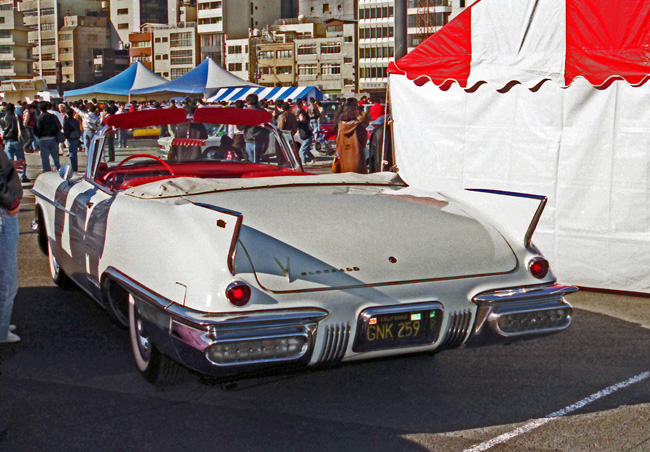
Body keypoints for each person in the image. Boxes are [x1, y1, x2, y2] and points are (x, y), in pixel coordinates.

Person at [0, 134, 23, 343]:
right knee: (7, 277)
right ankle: (1, 331)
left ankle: (3, 322)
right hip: (3, 213)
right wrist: (11, 201)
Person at [334, 104, 368, 174]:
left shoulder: (340, 125)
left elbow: (337, 139)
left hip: (343, 155)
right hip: (357, 155)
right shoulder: (358, 125)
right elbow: (364, 140)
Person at [1, 103, 29, 183]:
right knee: (21, 159)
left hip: (7, 141)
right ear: (14, 109)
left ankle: (10, 177)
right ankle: (22, 176)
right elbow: (22, 127)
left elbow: (3, 129)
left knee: (9, 160)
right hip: (17, 140)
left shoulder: (3, 119)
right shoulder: (17, 117)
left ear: (6, 110)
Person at [34, 101, 61, 172]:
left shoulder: (38, 118)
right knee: (55, 155)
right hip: (53, 138)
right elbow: (59, 126)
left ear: (39, 108)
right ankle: (57, 168)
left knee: (45, 157)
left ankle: (46, 170)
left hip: (43, 139)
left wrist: (39, 136)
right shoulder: (53, 116)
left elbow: (36, 129)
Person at [243, 94, 269, 163]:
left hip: (249, 138)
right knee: (257, 160)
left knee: (250, 160)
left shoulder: (246, 112)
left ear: (247, 102)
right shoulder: (263, 111)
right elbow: (267, 126)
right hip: (261, 138)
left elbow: (240, 127)